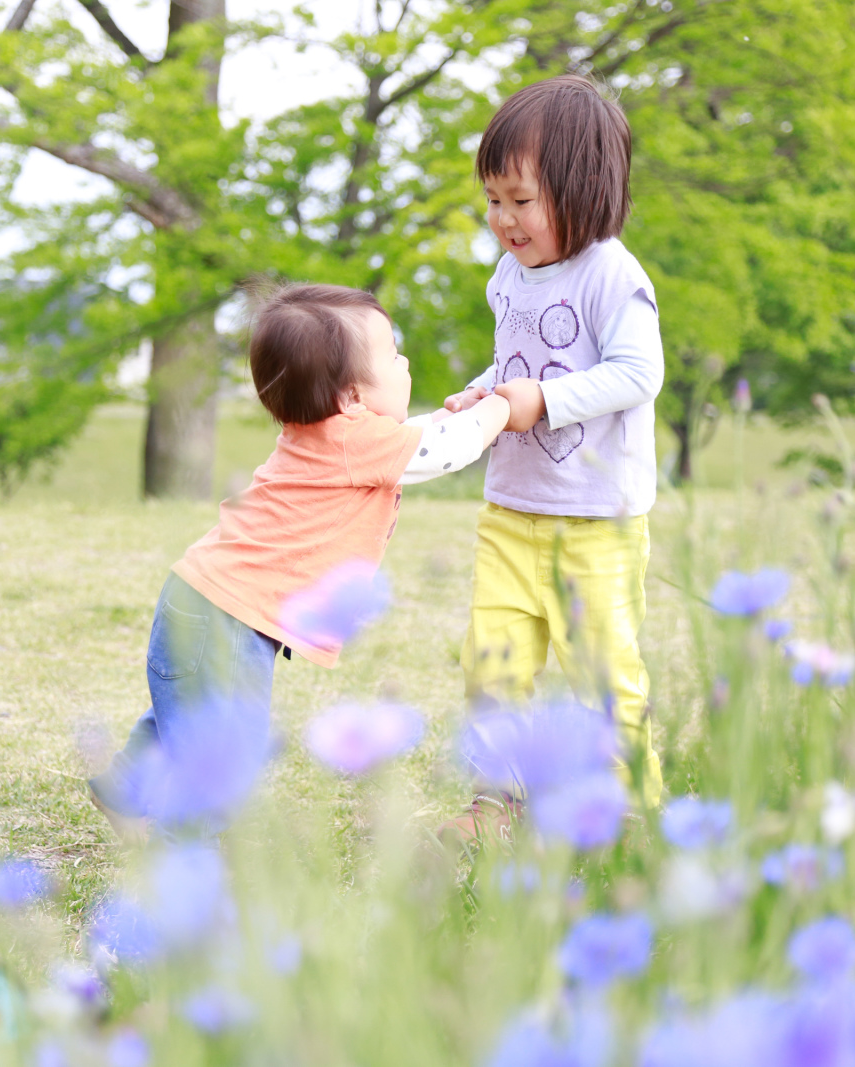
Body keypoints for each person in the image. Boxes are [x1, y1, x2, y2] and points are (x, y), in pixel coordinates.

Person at [88, 283, 515, 842]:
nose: (404, 361)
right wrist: (503, 407)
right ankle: (190, 860)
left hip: (204, 604)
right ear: (352, 400)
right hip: (226, 618)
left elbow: (420, 435)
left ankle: (126, 788)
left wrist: (465, 407)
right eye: (392, 354)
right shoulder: (355, 441)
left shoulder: (332, 432)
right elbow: (450, 448)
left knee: (189, 715)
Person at [443, 74, 666, 838]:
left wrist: (538, 401)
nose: (504, 219)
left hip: (595, 519)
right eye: (493, 199)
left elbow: (639, 374)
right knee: (492, 662)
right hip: (512, 507)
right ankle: (495, 800)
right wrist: (484, 395)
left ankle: (625, 804)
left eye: (521, 201)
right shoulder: (509, 274)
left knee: (602, 670)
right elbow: (516, 364)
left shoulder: (613, 275)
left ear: (584, 190)